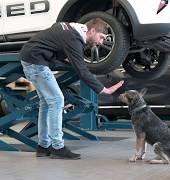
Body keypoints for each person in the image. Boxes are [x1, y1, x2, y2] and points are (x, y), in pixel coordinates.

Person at [20, 18, 124, 160]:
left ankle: (43, 146)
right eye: (101, 37)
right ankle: (58, 147)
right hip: (36, 62)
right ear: (92, 30)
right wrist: (103, 90)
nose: (101, 42)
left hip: (32, 58)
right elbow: (81, 70)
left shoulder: (70, 28)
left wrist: (64, 57)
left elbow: (55, 27)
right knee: (57, 101)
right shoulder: (74, 39)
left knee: (46, 103)